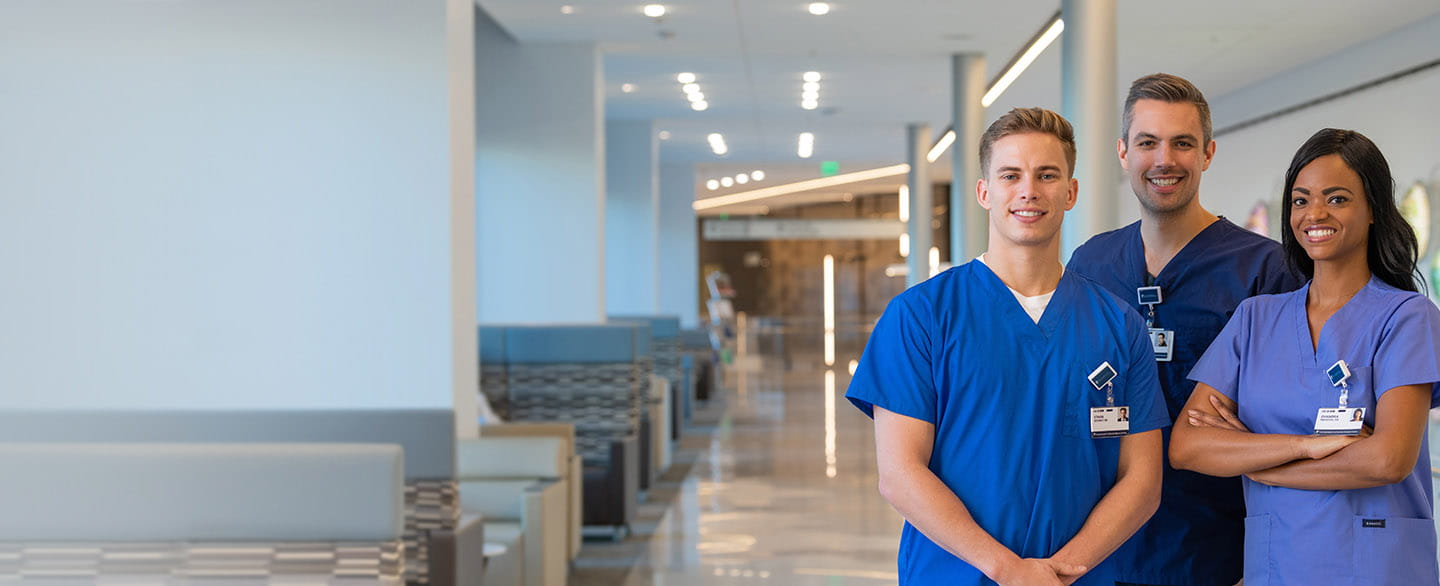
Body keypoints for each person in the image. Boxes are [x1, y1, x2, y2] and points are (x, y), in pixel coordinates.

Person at [846, 107, 1166, 585]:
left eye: (1047, 175)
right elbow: (900, 474)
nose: (1028, 191)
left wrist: (1060, 572)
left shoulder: (1118, 325)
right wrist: (1009, 571)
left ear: (1071, 192)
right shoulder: (922, 317)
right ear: (984, 192)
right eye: (1010, 175)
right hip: (955, 574)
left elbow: (1142, 483)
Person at [1171, 128, 1440, 585]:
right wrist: (1303, 446)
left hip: (1379, 569)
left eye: (1337, 199)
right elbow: (1187, 446)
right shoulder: (1255, 319)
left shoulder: (1407, 317)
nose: (1315, 213)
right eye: (1300, 200)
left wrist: (1262, 466)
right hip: (1276, 565)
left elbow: (1387, 459)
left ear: (1373, 208)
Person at [1066, 73, 1303, 586]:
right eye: (1148, 142)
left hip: (1219, 554)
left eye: (1183, 143)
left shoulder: (1265, 270)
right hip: (1101, 548)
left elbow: (1287, 420)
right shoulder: (1092, 263)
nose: (1164, 159)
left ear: (1208, 153)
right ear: (1124, 153)